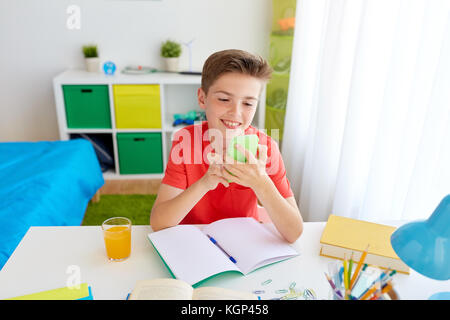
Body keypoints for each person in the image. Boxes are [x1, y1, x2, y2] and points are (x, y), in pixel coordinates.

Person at [150, 49, 303, 243]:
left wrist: (261, 183)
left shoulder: (266, 148)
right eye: (224, 99)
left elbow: (294, 232)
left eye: (247, 103)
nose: (235, 112)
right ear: (202, 98)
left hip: (245, 241)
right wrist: (204, 184)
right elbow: (158, 223)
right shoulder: (185, 142)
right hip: (194, 239)